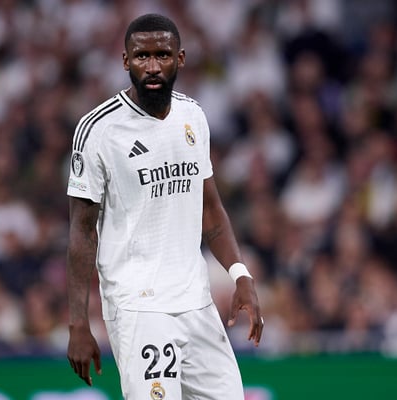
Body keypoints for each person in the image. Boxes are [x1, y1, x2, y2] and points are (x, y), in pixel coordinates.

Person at [66, 13, 263, 400]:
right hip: (139, 308)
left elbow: (210, 210)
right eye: (142, 56)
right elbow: (81, 231)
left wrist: (240, 274)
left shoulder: (193, 116)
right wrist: (78, 322)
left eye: (163, 55)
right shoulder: (98, 130)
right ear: (126, 61)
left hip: (196, 303)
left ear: (180, 58)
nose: (153, 66)